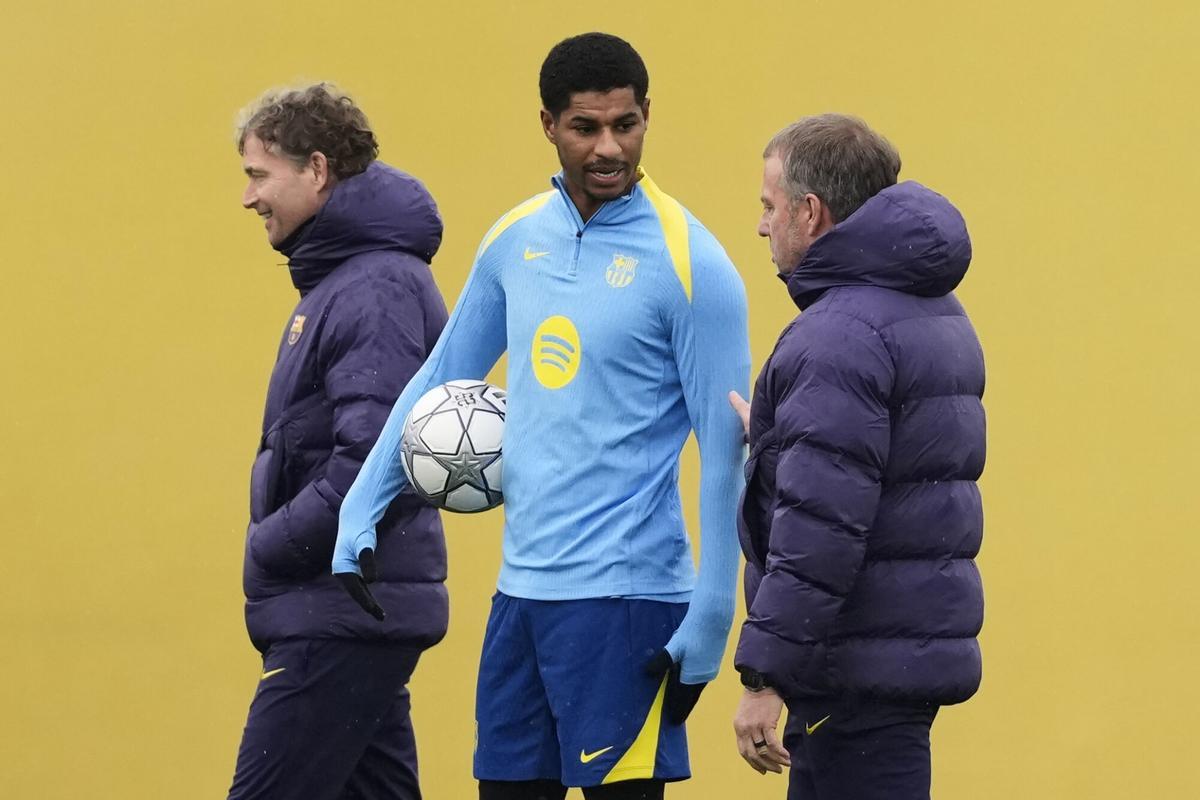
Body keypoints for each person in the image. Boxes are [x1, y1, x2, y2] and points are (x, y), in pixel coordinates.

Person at [334, 33, 749, 800]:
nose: (608, 147)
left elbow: (727, 452)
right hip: (521, 597)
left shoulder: (695, 265)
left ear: (648, 116)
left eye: (625, 125)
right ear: (547, 124)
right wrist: (362, 504)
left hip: (627, 603)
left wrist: (714, 611)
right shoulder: (514, 239)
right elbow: (439, 376)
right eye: (585, 127)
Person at [729, 114, 985, 800]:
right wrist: (787, 440)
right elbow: (882, 465)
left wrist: (766, 676)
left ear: (810, 213)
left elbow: (821, 528)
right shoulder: (928, 306)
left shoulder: (839, 333)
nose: (762, 225)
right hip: (890, 665)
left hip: (854, 673)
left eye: (769, 205)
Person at [228, 83, 450, 800]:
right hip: (351, 610)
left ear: (316, 170)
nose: (248, 197)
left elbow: (375, 465)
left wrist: (270, 543)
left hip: (339, 611)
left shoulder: (372, 287)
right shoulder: (348, 280)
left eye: (259, 174)